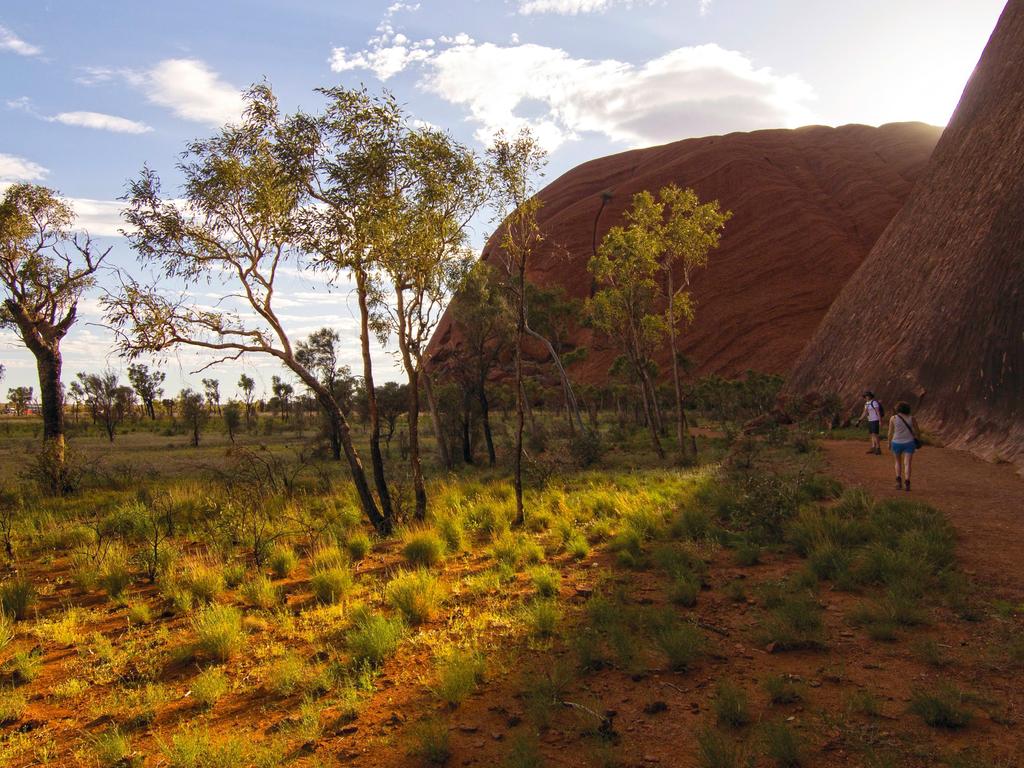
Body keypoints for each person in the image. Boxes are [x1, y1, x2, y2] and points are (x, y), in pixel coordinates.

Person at [887, 401, 919, 491]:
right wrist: (917, 440)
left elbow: (890, 432)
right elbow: (917, 431)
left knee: (897, 461)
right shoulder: (912, 418)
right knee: (907, 463)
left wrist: (888, 443)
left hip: (896, 442)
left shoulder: (893, 418)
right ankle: (907, 482)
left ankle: (898, 481)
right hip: (909, 442)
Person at [855, 391, 884, 455]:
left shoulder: (874, 402)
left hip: (875, 420)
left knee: (875, 434)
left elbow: (878, 412)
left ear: (870, 396)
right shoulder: (866, 404)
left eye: (867, 396)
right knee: (872, 434)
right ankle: (873, 447)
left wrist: (880, 421)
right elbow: (864, 412)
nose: (866, 397)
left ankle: (878, 448)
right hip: (870, 420)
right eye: (865, 396)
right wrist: (859, 420)